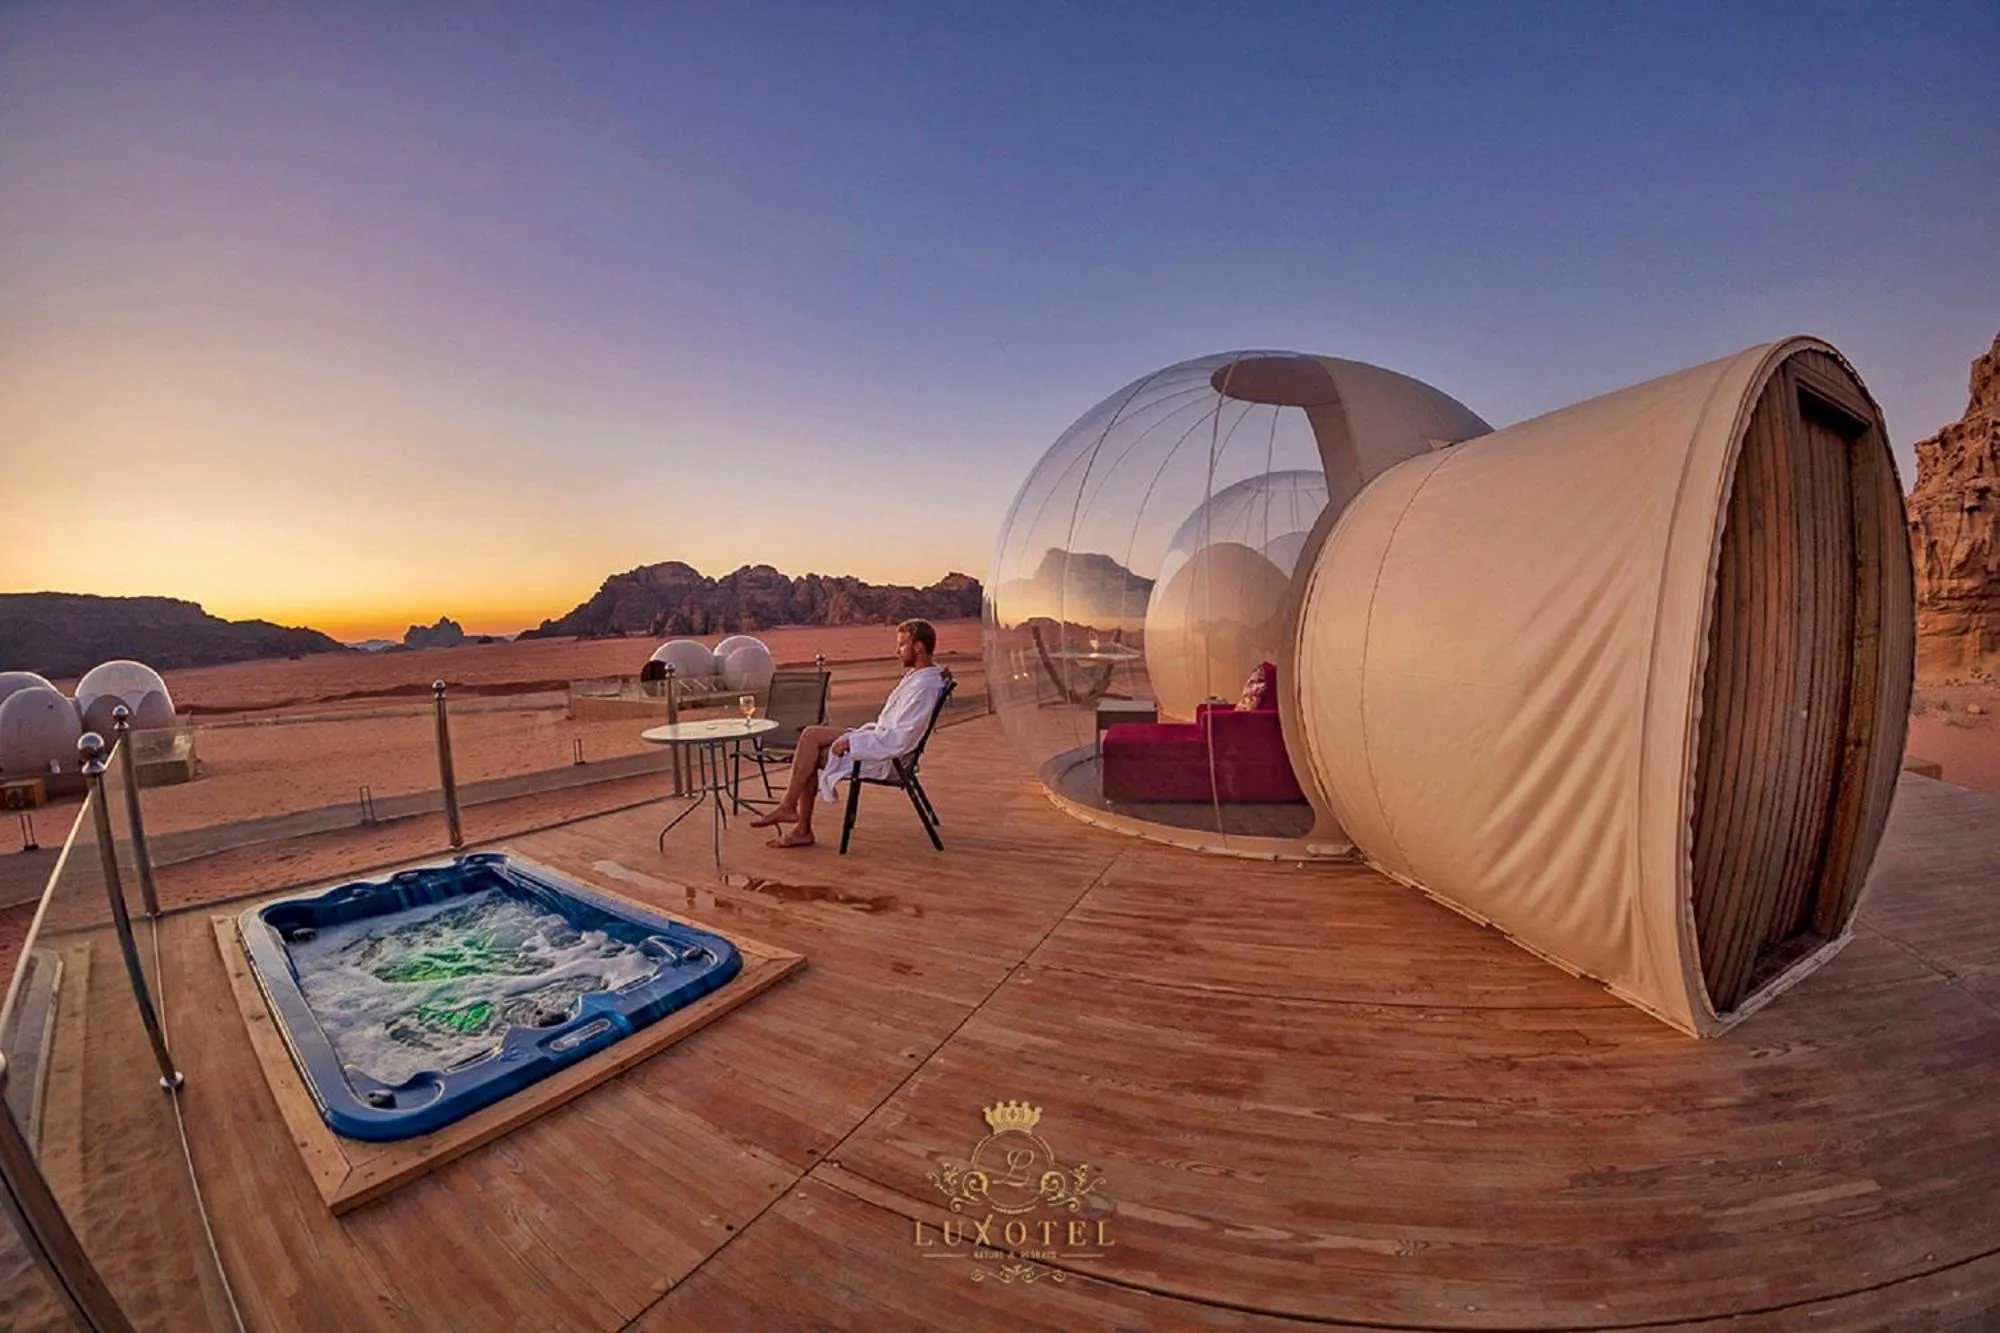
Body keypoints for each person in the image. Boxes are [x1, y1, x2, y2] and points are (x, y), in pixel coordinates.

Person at [751, 619, 946, 849]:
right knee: (811, 734)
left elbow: (901, 739)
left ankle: (799, 825)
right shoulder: (919, 677)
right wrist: (853, 737)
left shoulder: (924, 687)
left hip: (886, 757)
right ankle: (789, 809)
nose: (897, 651)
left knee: (810, 756)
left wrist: (852, 741)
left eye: (902, 645)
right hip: (877, 739)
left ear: (919, 647)